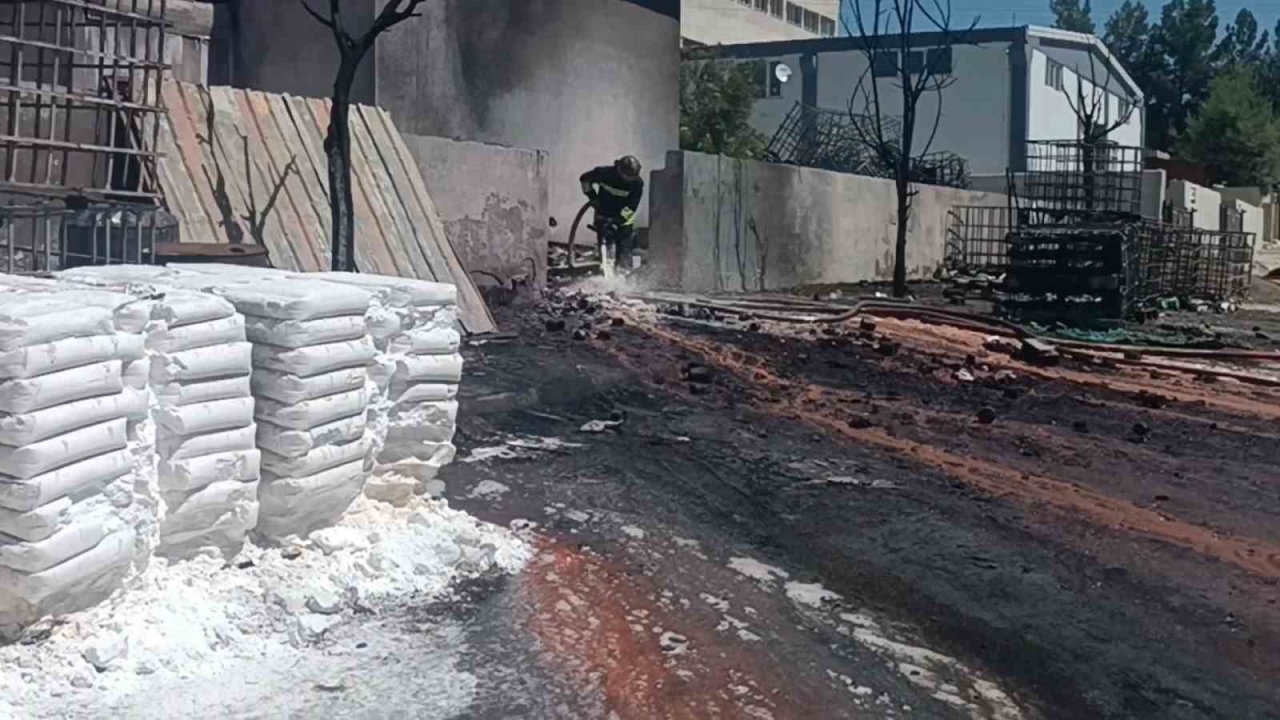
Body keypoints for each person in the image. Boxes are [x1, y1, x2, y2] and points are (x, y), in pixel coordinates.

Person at [580, 156, 644, 272]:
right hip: (603, 214)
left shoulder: (637, 183)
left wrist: (617, 222)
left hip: (624, 219)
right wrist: (592, 197)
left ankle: (622, 273)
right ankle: (606, 271)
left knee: (624, 248)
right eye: (628, 176)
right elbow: (584, 179)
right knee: (605, 244)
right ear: (620, 171)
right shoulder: (604, 174)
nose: (631, 179)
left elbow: (631, 207)